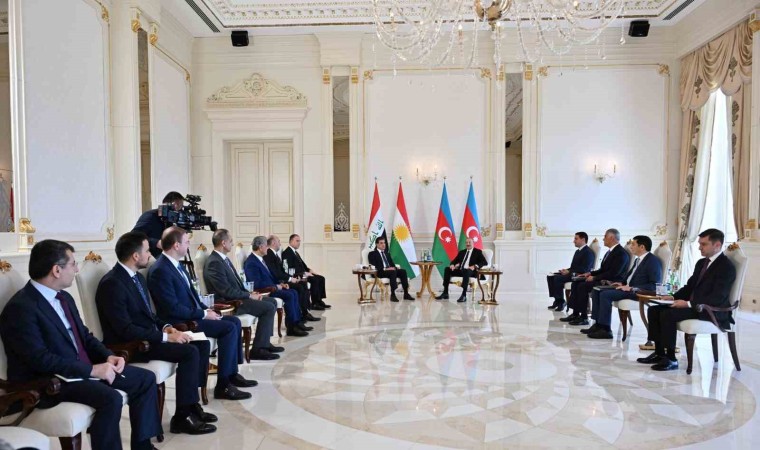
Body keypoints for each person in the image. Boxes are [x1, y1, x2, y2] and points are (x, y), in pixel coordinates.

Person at [0, 240, 160, 450]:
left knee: (145, 379)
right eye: (73, 264)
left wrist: (107, 356)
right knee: (110, 399)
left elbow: (84, 336)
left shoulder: (64, 297)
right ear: (57, 270)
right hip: (49, 381)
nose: (76, 269)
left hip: (78, 369)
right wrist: (92, 370)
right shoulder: (21, 308)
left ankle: (143, 447)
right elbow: (40, 359)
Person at [96, 231, 216, 435]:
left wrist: (166, 326)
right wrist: (166, 337)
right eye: (146, 250)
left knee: (201, 344)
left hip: (147, 335)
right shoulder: (112, 283)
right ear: (135, 256)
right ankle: (182, 417)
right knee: (189, 352)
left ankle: (191, 405)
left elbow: (148, 315)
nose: (150, 254)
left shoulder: (136, 278)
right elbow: (125, 329)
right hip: (132, 344)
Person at [147, 227, 257, 400]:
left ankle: (231, 374)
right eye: (186, 241)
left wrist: (206, 310)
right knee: (228, 328)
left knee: (234, 322)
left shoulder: (176, 264)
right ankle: (223, 386)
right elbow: (171, 308)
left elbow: (193, 295)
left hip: (191, 315)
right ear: (176, 245)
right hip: (180, 321)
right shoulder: (160, 270)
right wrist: (202, 314)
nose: (189, 244)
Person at [638, 229, 736, 371]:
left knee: (668, 314)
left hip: (711, 310)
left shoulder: (726, 267)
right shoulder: (702, 263)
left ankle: (671, 358)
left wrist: (688, 304)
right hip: (696, 306)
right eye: (699, 244)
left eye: (703, 244)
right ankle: (659, 353)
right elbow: (690, 287)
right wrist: (673, 297)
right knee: (654, 310)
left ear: (717, 245)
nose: (699, 247)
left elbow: (717, 296)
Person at [203, 229, 283, 361]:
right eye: (230, 241)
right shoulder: (214, 262)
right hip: (229, 302)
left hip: (237, 297)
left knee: (272, 302)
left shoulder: (223, 259)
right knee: (268, 307)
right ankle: (258, 350)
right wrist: (248, 296)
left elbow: (236, 284)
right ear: (223, 243)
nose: (232, 243)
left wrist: (249, 293)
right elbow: (225, 291)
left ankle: (264, 342)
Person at [583, 235, 662, 339]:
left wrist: (632, 288)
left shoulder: (652, 261)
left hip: (637, 292)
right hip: (627, 288)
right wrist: (622, 284)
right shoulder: (638, 260)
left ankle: (606, 330)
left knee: (605, 295)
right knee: (597, 290)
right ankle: (598, 324)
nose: (631, 247)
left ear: (642, 247)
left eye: (633, 244)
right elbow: (630, 277)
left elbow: (654, 285)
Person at [244, 236, 309, 337]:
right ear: (260, 247)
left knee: (293, 292)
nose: (268, 248)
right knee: (290, 295)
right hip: (265, 291)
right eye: (266, 246)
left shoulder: (259, 259)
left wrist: (281, 284)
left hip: (271, 287)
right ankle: (291, 328)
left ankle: (296, 322)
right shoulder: (251, 262)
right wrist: (276, 286)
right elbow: (256, 284)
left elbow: (270, 276)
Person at [562, 228, 629, 326]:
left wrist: (594, 278)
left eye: (605, 236)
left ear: (612, 238)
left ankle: (584, 317)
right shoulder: (610, 251)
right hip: (604, 278)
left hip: (611, 282)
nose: (603, 239)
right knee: (576, 282)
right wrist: (590, 274)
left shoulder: (621, 253)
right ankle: (575, 313)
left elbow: (613, 273)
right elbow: (603, 269)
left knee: (582, 286)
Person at [264, 235, 320, 322]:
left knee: (302, 284)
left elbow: (281, 271)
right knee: (300, 286)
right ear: (274, 243)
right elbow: (276, 273)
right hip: (278, 282)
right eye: (279, 241)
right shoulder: (269, 254)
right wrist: (290, 279)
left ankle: (304, 312)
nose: (280, 244)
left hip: (282, 280)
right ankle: (302, 314)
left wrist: (292, 278)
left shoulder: (273, 254)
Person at [547, 232, 595, 311]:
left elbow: (585, 269)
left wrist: (569, 272)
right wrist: (567, 270)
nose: (574, 241)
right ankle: (557, 300)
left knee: (557, 278)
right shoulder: (578, 251)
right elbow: (574, 267)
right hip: (573, 273)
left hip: (579, 275)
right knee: (551, 276)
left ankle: (561, 302)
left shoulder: (588, 252)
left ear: (583, 240)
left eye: (576, 239)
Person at [281, 234, 331, 309]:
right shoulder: (287, 253)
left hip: (304, 273)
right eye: (297, 241)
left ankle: (319, 301)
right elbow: (289, 269)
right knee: (314, 279)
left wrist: (309, 270)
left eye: (299, 241)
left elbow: (302, 265)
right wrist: (304, 273)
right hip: (298, 275)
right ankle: (315, 303)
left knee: (321, 278)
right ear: (291, 241)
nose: (299, 243)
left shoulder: (295, 252)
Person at [132, 191, 185, 258]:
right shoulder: (150, 216)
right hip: (148, 256)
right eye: (178, 205)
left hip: (163, 256)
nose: (179, 210)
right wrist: (156, 243)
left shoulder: (170, 220)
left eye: (181, 206)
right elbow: (134, 236)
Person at [435, 238, 488, 303]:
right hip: (461, 270)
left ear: (473, 243)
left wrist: (474, 266)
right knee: (447, 269)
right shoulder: (462, 252)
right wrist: (452, 265)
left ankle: (464, 295)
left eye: (469, 242)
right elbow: (454, 261)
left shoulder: (478, 252)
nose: (468, 244)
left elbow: (484, 262)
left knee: (466, 271)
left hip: (471, 271)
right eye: (466, 242)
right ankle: (445, 293)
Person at [368, 237, 414, 302]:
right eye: (381, 243)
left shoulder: (387, 254)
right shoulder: (372, 254)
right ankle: (393, 295)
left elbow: (392, 265)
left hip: (389, 271)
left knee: (403, 271)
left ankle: (406, 294)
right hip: (379, 272)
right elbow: (373, 266)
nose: (383, 245)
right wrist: (386, 268)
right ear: (377, 244)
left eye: (384, 243)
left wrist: (395, 268)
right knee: (392, 272)